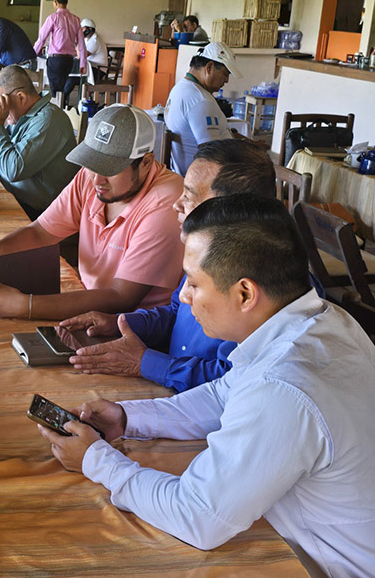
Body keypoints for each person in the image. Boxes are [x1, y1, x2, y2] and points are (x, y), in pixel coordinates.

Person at [39, 193, 375, 578]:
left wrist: (96, 461)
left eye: (194, 283)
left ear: (245, 293)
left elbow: (198, 516)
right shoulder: (323, 321)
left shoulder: (283, 386)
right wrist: (126, 417)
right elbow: (223, 394)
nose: (184, 296)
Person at [60, 140, 275, 392]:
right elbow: (175, 313)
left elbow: (229, 380)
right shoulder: (204, 252)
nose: (177, 204)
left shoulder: (258, 284)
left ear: (233, 208)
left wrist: (144, 363)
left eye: (190, 197)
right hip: (167, 388)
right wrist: (119, 323)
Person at [0, 104, 183, 320]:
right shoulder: (90, 177)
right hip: (90, 303)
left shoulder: (167, 202)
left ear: (146, 163)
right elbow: (40, 233)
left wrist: (24, 306)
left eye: (110, 169)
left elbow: (122, 298)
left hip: (134, 327)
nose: (97, 180)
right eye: (92, 164)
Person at [0, 65, 78, 218]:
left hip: (35, 211)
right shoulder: (25, 115)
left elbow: (12, 170)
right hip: (10, 193)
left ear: (21, 97)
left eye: (2, 102)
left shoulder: (47, 120)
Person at [163, 42, 239, 174]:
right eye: (225, 74)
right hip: (203, 178)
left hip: (185, 173)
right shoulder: (201, 100)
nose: (226, 80)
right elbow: (210, 155)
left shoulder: (180, 88)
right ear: (209, 67)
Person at [33, 0, 87, 100]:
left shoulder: (53, 18)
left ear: (55, 2)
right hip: (69, 61)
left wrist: (32, 55)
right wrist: (83, 63)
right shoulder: (76, 20)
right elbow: (81, 43)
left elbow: (42, 39)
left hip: (56, 60)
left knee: (55, 92)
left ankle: (57, 107)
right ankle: (62, 105)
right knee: (62, 90)